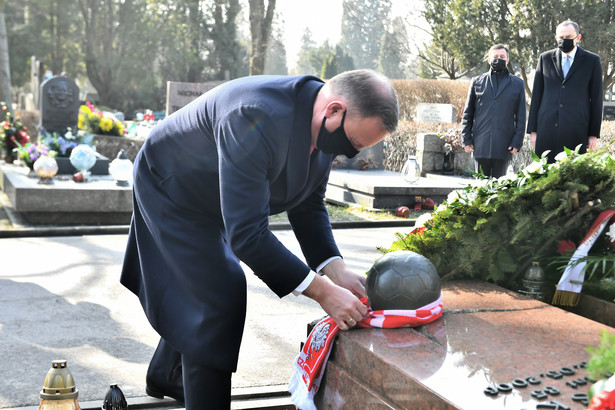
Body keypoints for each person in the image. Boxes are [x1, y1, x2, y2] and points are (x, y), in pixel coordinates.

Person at [120, 69, 399, 408]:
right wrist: (323, 292)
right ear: (335, 110)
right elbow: (249, 236)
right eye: (354, 143)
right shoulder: (255, 115)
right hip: (172, 185)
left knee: (198, 285)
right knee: (217, 289)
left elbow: (308, 203)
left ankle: (168, 371)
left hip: (213, 191)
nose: (351, 154)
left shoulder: (323, 122)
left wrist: (335, 269)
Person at [527, 20, 603, 163]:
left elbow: (597, 99)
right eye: (561, 37)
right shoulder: (545, 59)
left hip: (577, 131)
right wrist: (533, 130)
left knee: (573, 179)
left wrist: (593, 134)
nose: (564, 40)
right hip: (547, 130)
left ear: (578, 37)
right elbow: (536, 96)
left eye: (568, 37)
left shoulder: (592, 61)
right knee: (544, 177)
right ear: (556, 38)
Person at [461, 44, 526, 178]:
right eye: (495, 56)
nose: (498, 59)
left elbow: (521, 117)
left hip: (504, 145)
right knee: (480, 189)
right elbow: (468, 113)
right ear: (489, 59)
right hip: (481, 144)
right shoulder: (477, 82)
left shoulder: (518, 84)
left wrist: (517, 141)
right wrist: (466, 139)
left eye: (502, 56)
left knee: (500, 190)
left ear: (507, 60)